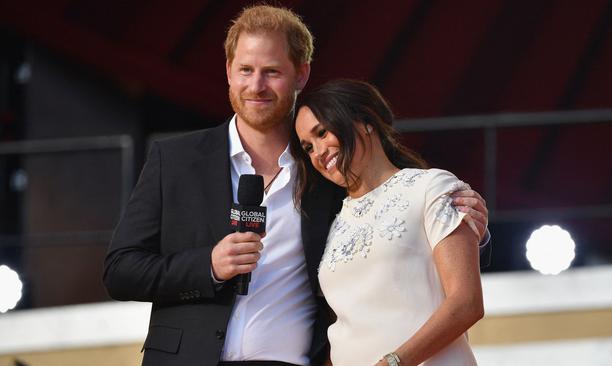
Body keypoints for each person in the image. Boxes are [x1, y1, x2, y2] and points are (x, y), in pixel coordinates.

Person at [103, 5, 489, 366]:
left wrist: (470, 227)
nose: (256, 85)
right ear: (228, 71)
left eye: (271, 71)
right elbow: (120, 270)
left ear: (301, 74)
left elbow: (394, 216)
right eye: (246, 70)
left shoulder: (328, 168)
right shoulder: (175, 159)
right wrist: (208, 266)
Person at [292, 79, 484, 366]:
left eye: (323, 133)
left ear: (366, 121)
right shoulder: (332, 224)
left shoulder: (431, 187)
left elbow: (467, 303)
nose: (318, 152)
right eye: (308, 147)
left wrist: (393, 362)